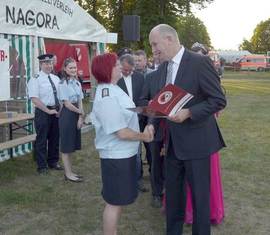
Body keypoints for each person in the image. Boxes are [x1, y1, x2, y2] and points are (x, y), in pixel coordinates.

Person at [148, 24, 226, 235]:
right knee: (173, 199)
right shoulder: (162, 68)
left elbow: (218, 100)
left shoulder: (199, 62)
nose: (153, 50)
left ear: (169, 39)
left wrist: (188, 113)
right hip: (172, 145)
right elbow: (160, 104)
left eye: (155, 44)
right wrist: (150, 124)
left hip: (198, 144)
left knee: (201, 201)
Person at [90, 53, 154, 235]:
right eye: (116, 65)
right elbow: (121, 132)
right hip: (116, 156)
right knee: (114, 203)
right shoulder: (107, 95)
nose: (120, 67)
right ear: (107, 69)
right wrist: (144, 136)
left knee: (118, 202)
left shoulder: (113, 89)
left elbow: (126, 112)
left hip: (124, 154)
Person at [117, 54, 150, 193]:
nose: (128, 72)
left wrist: (141, 110)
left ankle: (142, 177)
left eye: (130, 70)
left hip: (140, 118)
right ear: (120, 65)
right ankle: (132, 179)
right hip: (124, 122)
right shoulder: (115, 80)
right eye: (125, 70)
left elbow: (143, 97)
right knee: (132, 152)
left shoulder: (139, 77)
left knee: (147, 148)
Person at [27, 53, 62, 174]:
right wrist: (48, 111)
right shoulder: (35, 79)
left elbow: (61, 96)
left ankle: (53, 162)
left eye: (50, 63)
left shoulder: (56, 78)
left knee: (55, 138)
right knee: (42, 139)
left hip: (56, 111)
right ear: (41, 64)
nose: (49, 66)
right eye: (46, 63)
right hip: (43, 112)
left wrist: (59, 110)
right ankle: (42, 166)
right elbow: (34, 99)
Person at [58, 57, 85, 182]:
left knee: (71, 145)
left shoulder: (77, 82)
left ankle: (70, 171)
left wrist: (80, 117)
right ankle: (67, 174)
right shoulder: (62, 83)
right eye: (71, 68)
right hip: (67, 115)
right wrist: (80, 112)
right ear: (65, 69)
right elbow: (67, 104)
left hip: (75, 114)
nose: (74, 70)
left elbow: (80, 100)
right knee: (66, 145)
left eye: (75, 67)